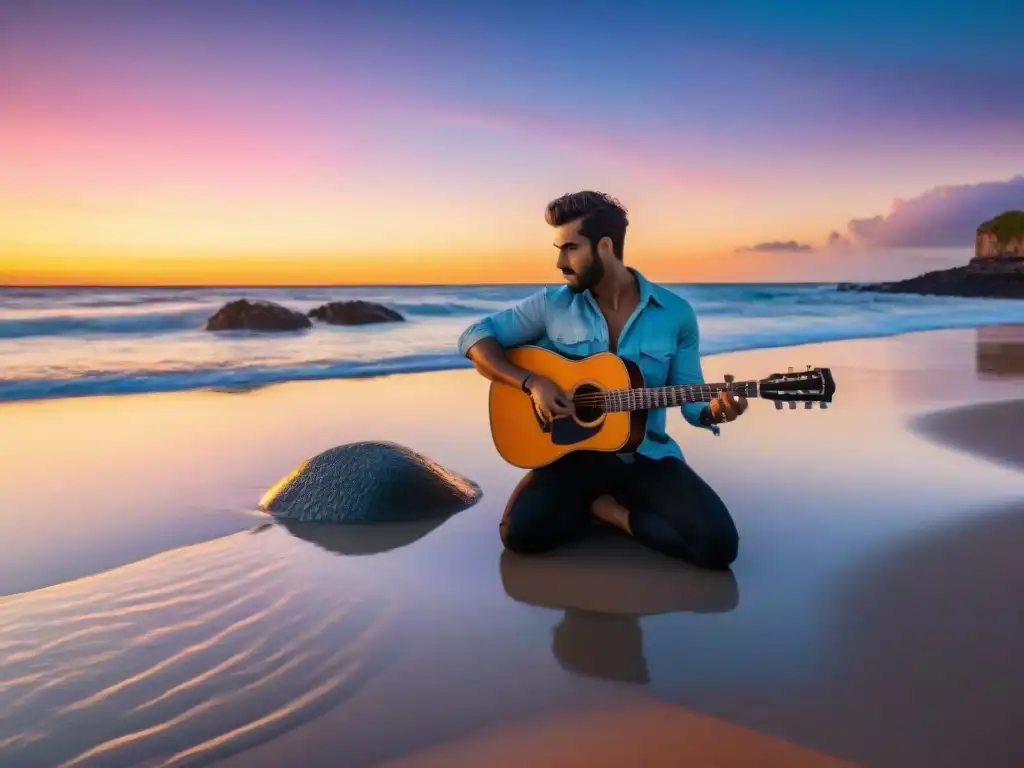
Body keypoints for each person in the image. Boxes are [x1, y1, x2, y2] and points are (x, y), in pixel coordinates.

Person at [457, 191, 745, 570]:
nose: (560, 262)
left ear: (605, 246)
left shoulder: (675, 313)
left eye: (571, 248)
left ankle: (612, 515)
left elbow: (692, 399)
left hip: (645, 455)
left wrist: (714, 411)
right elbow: (475, 336)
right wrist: (531, 382)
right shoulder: (552, 304)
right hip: (570, 453)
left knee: (719, 547)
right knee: (519, 535)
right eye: (559, 249)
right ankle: (598, 505)